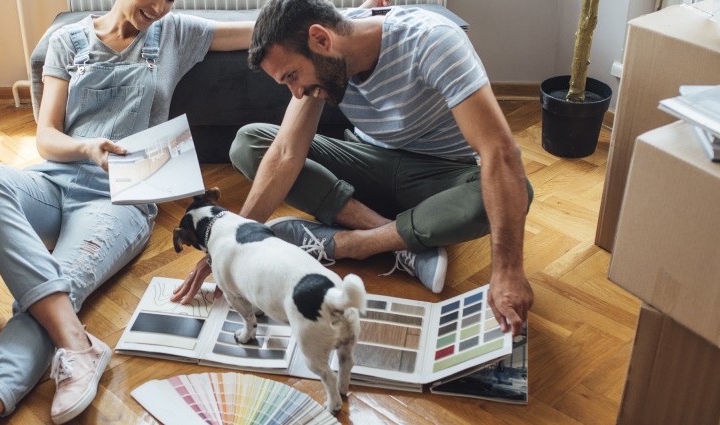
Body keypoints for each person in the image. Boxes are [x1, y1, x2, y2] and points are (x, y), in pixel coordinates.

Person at [0, 1, 252, 423]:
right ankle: (79, 346)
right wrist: (86, 146)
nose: (159, 7)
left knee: (56, 291)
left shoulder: (175, 33)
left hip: (119, 200)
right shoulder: (67, 41)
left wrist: (355, 16)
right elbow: (46, 138)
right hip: (54, 180)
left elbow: (259, 28)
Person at [174, 0, 534, 337]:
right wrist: (234, 245)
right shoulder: (325, 64)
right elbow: (285, 152)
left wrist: (507, 270)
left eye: (292, 76)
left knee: (507, 193)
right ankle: (398, 239)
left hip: (440, 177)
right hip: (367, 164)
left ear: (321, 39)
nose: (295, 93)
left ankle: (350, 243)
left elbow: (499, 152)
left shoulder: (431, 41)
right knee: (249, 142)